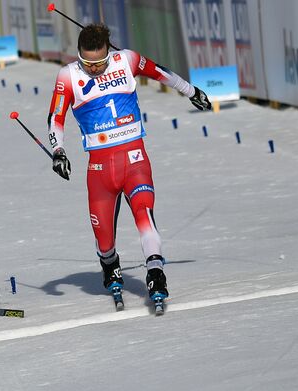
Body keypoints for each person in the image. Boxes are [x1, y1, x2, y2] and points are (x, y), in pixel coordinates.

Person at [47, 24, 211, 304]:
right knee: (104, 239)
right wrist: (58, 150)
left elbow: (161, 73)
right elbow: (56, 116)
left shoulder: (127, 60)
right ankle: (110, 265)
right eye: (88, 63)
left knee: (144, 212)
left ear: (108, 53)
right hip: (99, 170)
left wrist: (192, 91)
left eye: (99, 62)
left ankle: (156, 272)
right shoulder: (68, 75)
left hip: (135, 159)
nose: (94, 69)